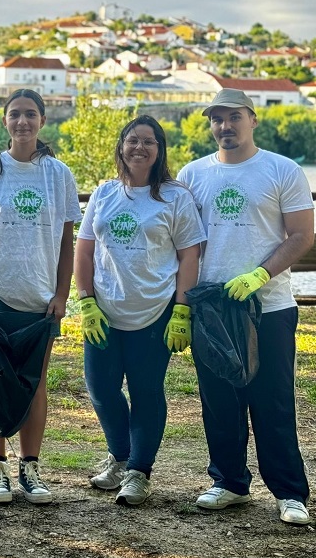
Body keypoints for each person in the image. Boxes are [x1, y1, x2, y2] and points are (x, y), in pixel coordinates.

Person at [177, 89, 313, 525]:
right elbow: (183, 241)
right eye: (216, 119)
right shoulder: (192, 174)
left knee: (271, 399)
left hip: (268, 306)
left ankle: (289, 493)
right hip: (213, 308)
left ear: (253, 120)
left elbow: (301, 235)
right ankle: (229, 482)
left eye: (233, 117)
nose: (225, 126)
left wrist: (260, 273)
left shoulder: (282, 169)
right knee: (220, 399)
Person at [74, 115, 204, 506]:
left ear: (160, 150)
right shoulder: (105, 192)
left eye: (149, 141)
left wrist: (182, 309)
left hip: (156, 310)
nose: (139, 147)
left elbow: (190, 255)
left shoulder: (175, 197)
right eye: (132, 140)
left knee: (146, 392)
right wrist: (85, 300)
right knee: (101, 388)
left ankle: (139, 472)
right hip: (105, 311)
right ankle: (120, 456)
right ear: (121, 146)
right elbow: (84, 248)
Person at [0, 88, 80, 505]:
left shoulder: (59, 174)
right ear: (5, 121)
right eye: (15, 115)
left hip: (39, 298)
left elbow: (68, 243)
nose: (23, 122)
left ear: (42, 121)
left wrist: (62, 295)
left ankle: (30, 468)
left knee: (35, 383)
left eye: (30, 114)